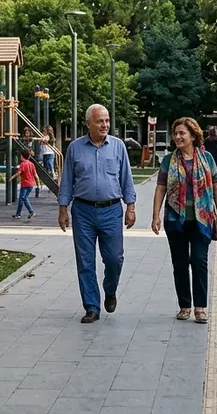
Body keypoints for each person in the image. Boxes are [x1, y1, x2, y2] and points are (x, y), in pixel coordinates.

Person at [58, 104, 136, 324]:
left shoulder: (118, 146)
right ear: (88, 124)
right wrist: (63, 208)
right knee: (85, 261)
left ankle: (109, 290)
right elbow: (67, 180)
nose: (105, 125)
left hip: (112, 210)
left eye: (107, 121)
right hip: (83, 211)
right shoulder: (75, 148)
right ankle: (92, 307)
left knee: (114, 259)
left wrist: (130, 206)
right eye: (100, 121)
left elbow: (126, 178)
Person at [151, 117, 217, 324]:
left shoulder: (207, 158)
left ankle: (200, 307)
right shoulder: (169, 160)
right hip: (175, 219)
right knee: (180, 263)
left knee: (199, 261)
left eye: (182, 133)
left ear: (193, 135)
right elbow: (160, 188)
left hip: (202, 219)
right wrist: (155, 215)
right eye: (175, 133)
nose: (178, 137)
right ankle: (184, 306)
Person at [10, 150, 37, 220]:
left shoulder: (23, 164)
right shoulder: (31, 164)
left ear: (22, 156)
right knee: (22, 199)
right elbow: (35, 174)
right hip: (31, 184)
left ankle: (31, 211)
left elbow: (18, 173)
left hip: (25, 184)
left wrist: (12, 177)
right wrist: (38, 183)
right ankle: (18, 214)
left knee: (23, 198)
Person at [39, 125, 56, 197]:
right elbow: (41, 142)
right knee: (46, 166)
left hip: (49, 153)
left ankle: (53, 173)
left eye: (44, 131)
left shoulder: (48, 137)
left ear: (47, 131)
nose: (43, 132)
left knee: (49, 163)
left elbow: (45, 140)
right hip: (45, 153)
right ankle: (50, 174)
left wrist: (42, 139)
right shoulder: (45, 137)